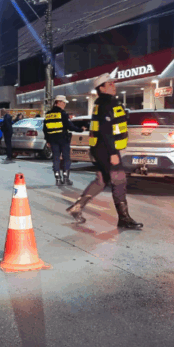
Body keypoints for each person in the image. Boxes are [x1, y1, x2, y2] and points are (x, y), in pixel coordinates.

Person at [66, 74, 143, 230]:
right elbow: (106, 129)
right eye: (110, 83)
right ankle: (124, 218)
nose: (114, 85)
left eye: (114, 82)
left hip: (101, 149)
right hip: (106, 149)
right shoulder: (107, 102)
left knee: (101, 180)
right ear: (101, 87)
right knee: (119, 180)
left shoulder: (101, 103)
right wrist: (113, 153)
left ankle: (77, 207)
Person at [43, 95, 82, 185]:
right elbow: (70, 126)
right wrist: (80, 129)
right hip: (63, 139)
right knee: (66, 158)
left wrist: (47, 140)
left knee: (56, 159)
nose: (64, 104)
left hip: (53, 140)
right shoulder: (62, 113)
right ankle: (66, 178)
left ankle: (57, 179)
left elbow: (45, 129)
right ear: (59, 102)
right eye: (64, 103)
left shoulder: (48, 114)